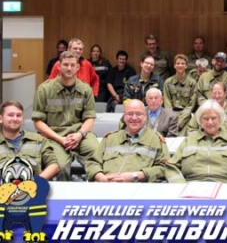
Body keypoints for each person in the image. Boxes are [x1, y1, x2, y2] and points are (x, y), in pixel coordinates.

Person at [33, 51, 99, 181]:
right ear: (58, 66)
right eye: (65, 65)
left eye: (72, 65)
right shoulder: (44, 89)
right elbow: (38, 121)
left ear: (77, 67)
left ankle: (95, 190)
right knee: (60, 167)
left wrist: (80, 135)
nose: (69, 68)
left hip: (80, 135)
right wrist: (60, 139)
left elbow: (89, 118)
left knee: (97, 156)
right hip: (54, 136)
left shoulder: (86, 89)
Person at [165, 100, 227, 183]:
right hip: (191, 186)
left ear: (220, 119)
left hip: (224, 186)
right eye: (206, 118)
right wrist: (180, 185)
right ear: (200, 121)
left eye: (213, 118)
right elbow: (171, 167)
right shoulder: (189, 141)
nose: (210, 122)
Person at [86, 99, 170, 182]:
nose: (134, 118)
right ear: (124, 117)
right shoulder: (109, 138)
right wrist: (101, 178)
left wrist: (136, 176)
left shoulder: (155, 139)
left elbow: (164, 168)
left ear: (145, 116)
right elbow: (92, 163)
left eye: (138, 114)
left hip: (138, 187)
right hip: (106, 186)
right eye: (130, 114)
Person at [0, 101, 59, 180]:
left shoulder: (38, 140)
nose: (15, 118)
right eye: (11, 115)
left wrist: (37, 181)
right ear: (1, 119)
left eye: (18, 115)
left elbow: (54, 165)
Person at [163, 54, 197, 136]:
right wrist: (172, 119)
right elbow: (167, 103)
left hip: (185, 116)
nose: (180, 65)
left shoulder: (192, 83)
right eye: (178, 63)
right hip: (170, 116)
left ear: (186, 66)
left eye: (182, 63)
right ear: (174, 65)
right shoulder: (168, 82)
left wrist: (180, 121)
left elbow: (191, 105)